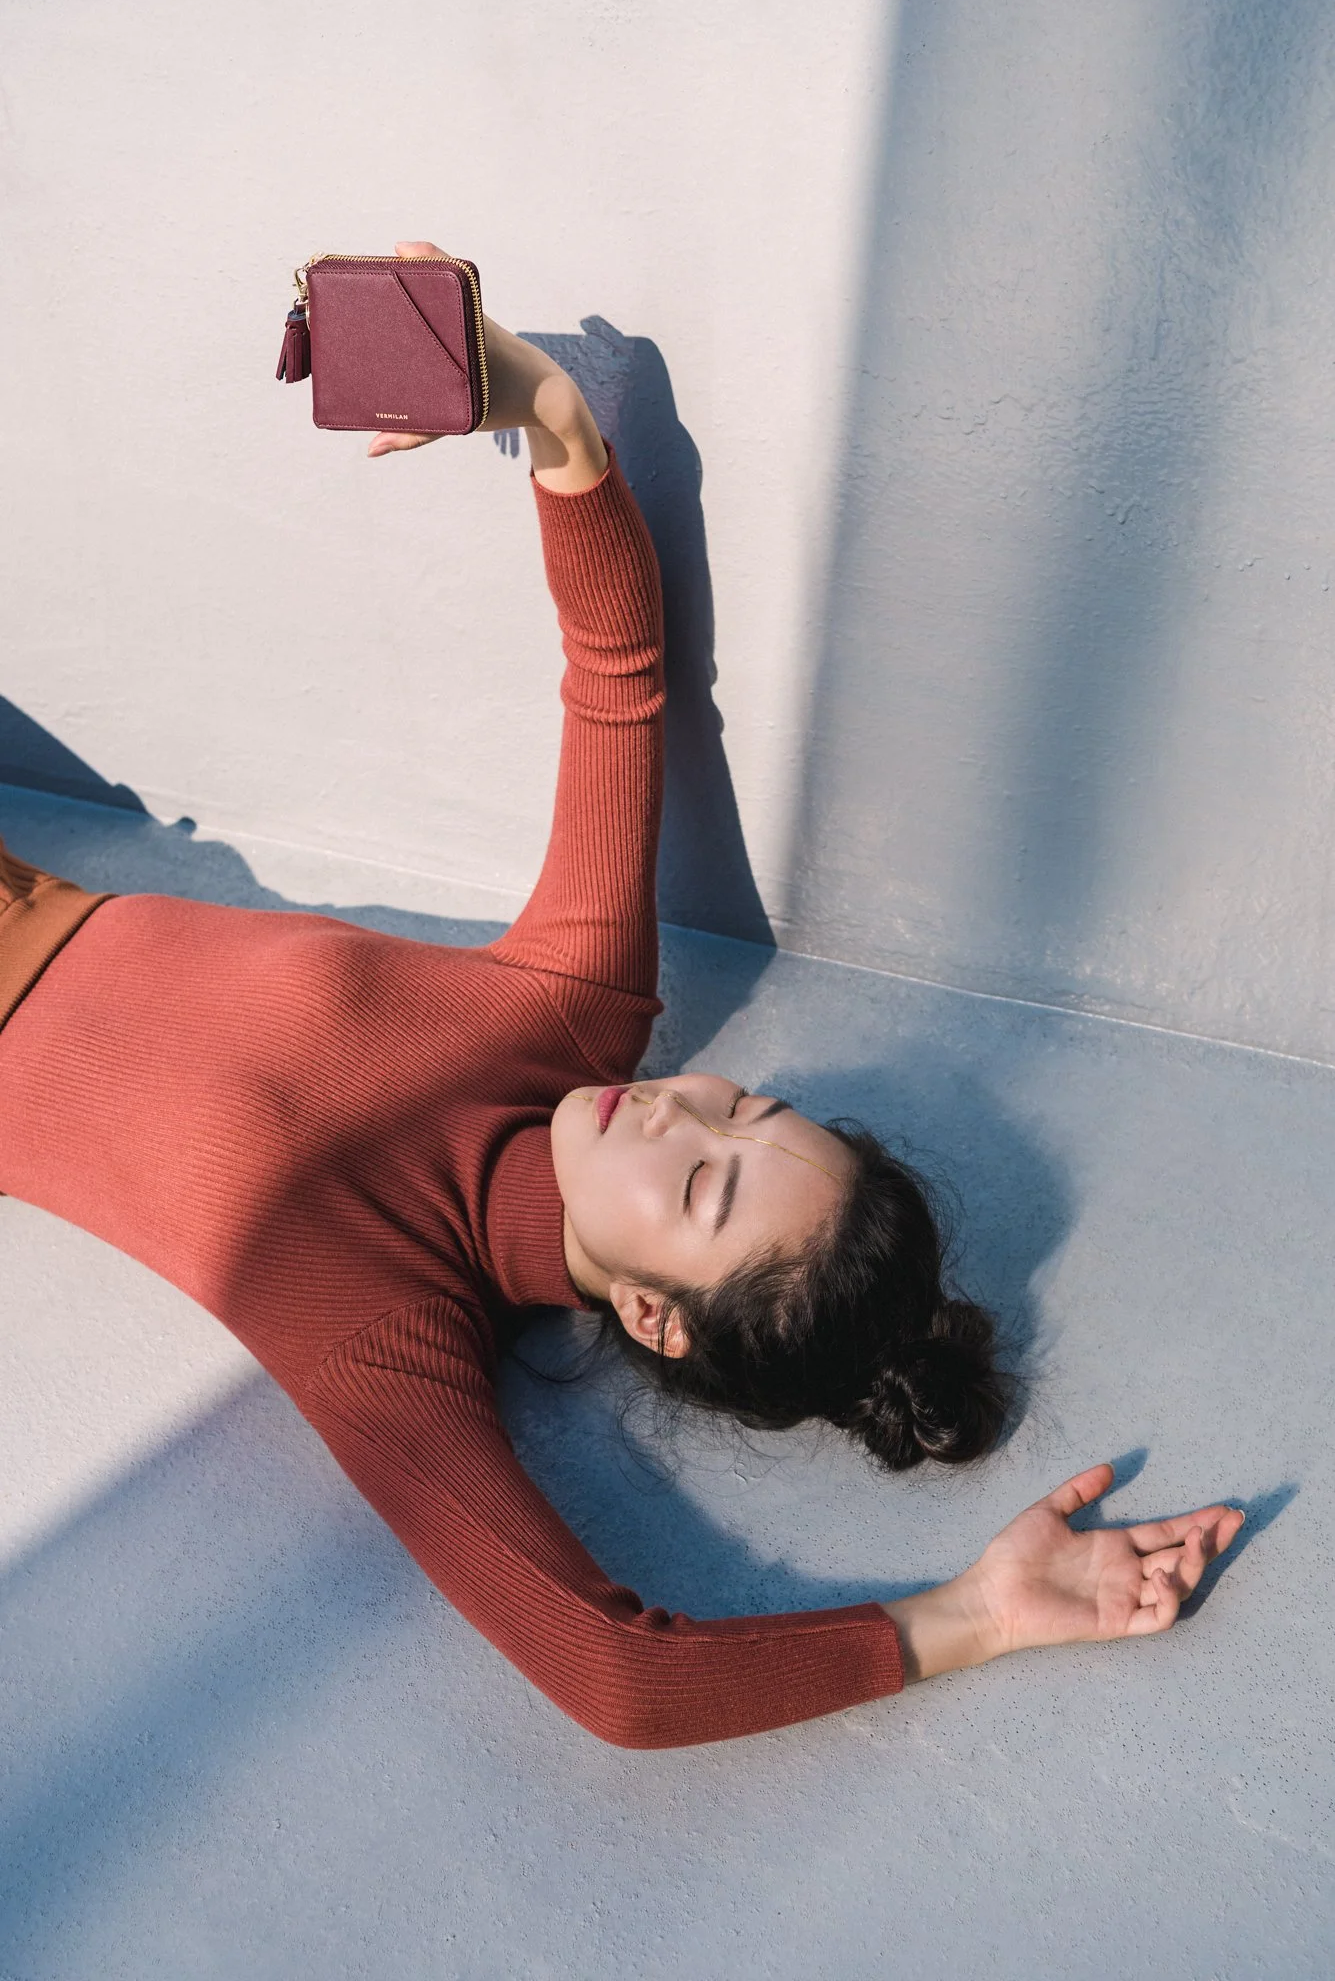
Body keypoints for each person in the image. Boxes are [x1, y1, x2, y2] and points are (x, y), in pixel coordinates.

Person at [0, 242, 1242, 1748]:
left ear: (651, 1316)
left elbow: (621, 1679)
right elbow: (618, 670)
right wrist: (547, 418)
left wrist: (969, 1618)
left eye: (704, 1184)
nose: (681, 1107)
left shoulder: (371, 1320)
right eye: (744, 1105)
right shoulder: (576, 1011)